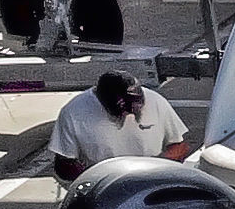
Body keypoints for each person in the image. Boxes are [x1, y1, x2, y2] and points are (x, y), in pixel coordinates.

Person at [50, 70, 189, 184]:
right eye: (123, 110)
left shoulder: (156, 101)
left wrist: (157, 171)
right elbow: (64, 164)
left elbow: (178, 146)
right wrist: (95, 179)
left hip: (150, 181)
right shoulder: (74, 112)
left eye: (134, 108)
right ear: (103, 101)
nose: (129, 115)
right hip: (104, 185)